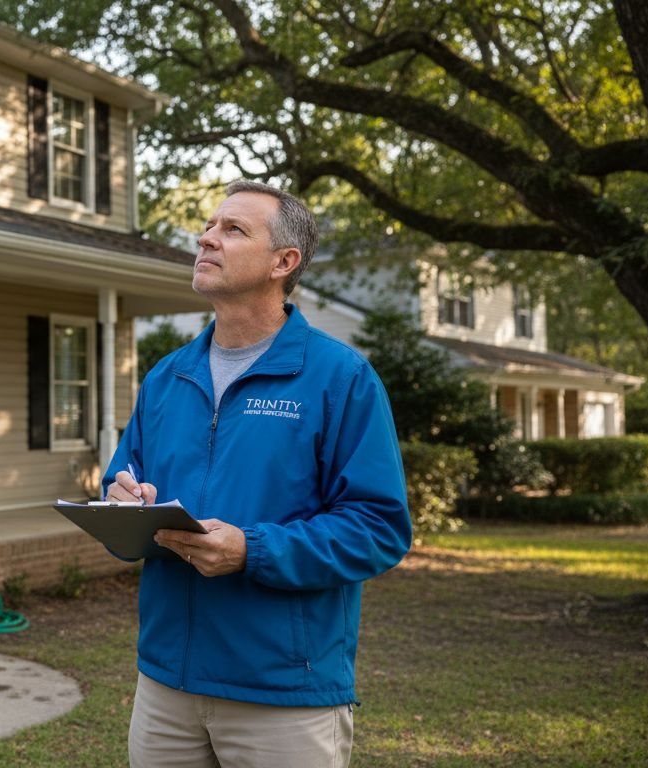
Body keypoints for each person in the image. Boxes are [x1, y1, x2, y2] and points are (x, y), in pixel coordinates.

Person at [103, 180, 412, 767]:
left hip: (281, 694)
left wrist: (253, 549)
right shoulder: (168, 377)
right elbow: (122, 480)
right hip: (166, 685)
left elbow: (378, 527)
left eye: (233, 229)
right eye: (210, 225)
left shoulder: (339, 378)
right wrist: (122, 500)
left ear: (283, 262)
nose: (206, 237)